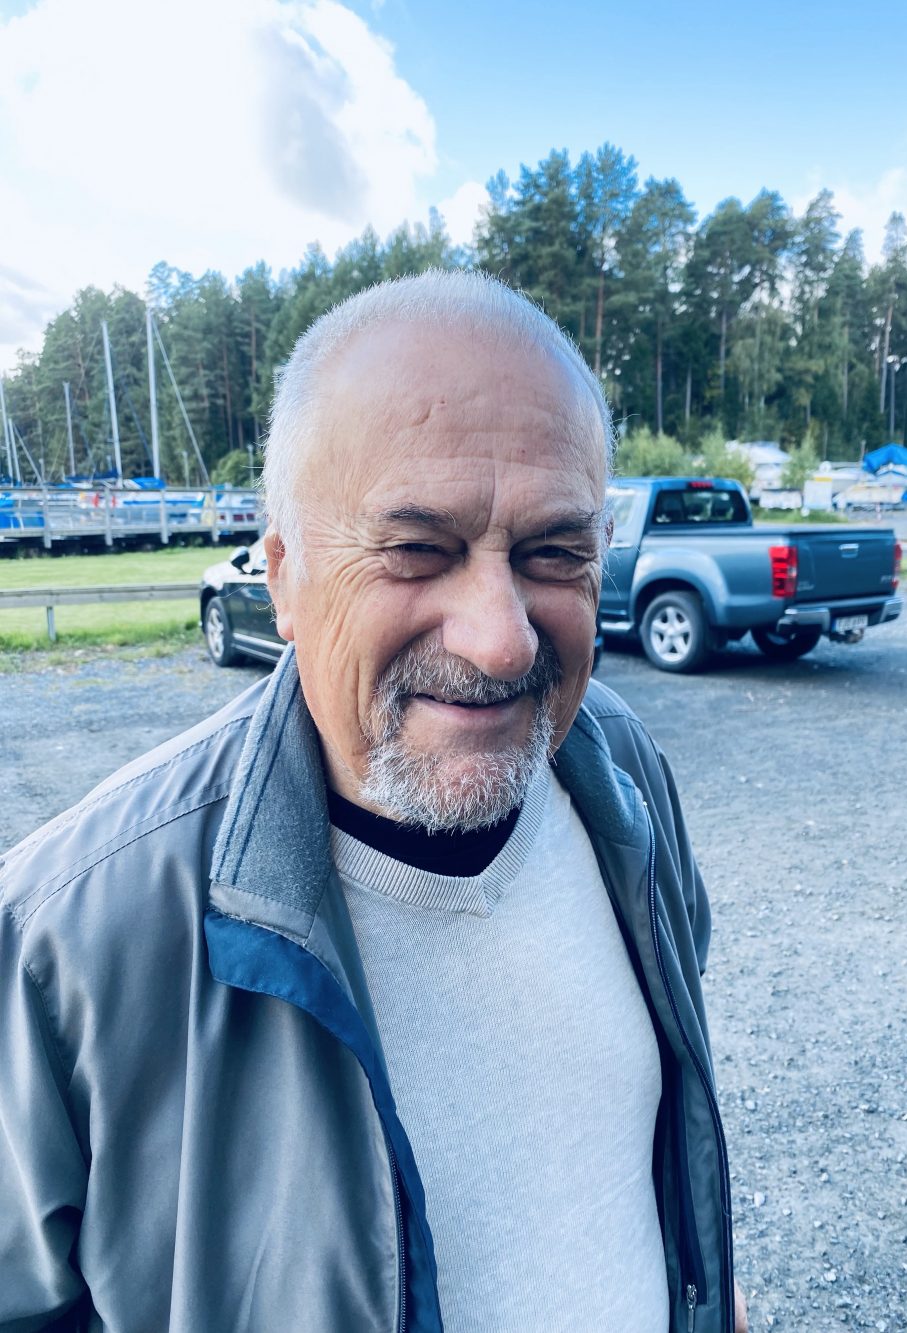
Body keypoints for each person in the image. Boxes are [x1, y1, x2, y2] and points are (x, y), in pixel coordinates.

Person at [1, 272, 747, 1332]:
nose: (502, 641)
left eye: (554, 553)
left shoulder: (621, 772)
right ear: (283, 577)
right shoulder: (62, 940)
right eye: (415, 551)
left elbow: (663, 1150)